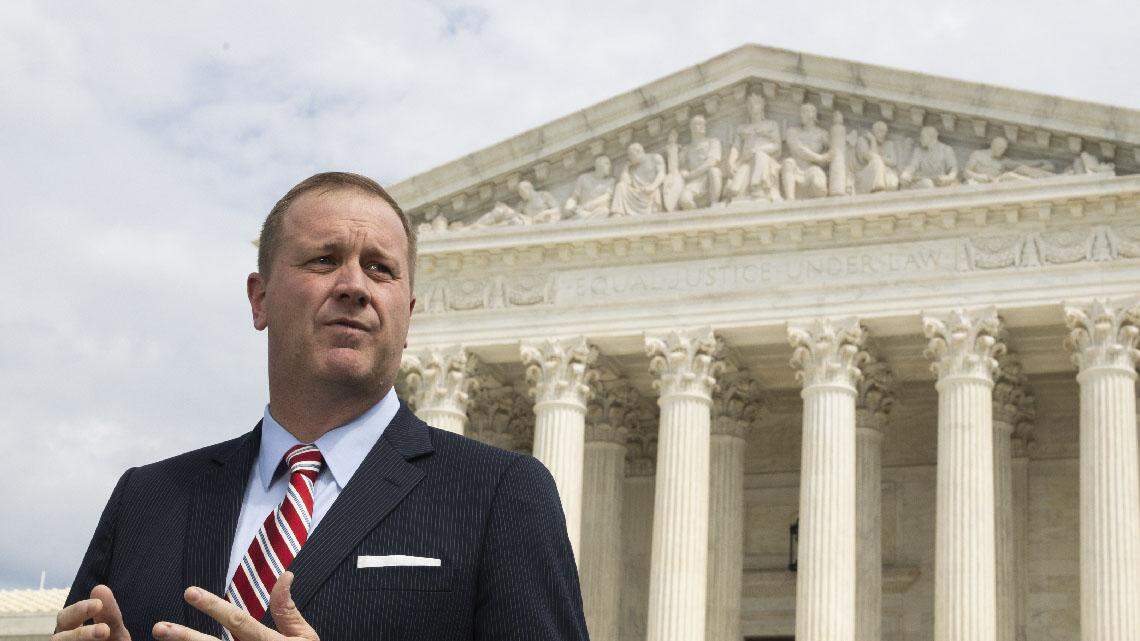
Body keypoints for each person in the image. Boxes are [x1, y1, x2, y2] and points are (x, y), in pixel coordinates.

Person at [56, 172, 589, 641]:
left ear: (408, 315)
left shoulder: (499, 494)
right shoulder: (147, 500)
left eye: (380, 269)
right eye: (325, 259)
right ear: (259, 298)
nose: (354, 285)